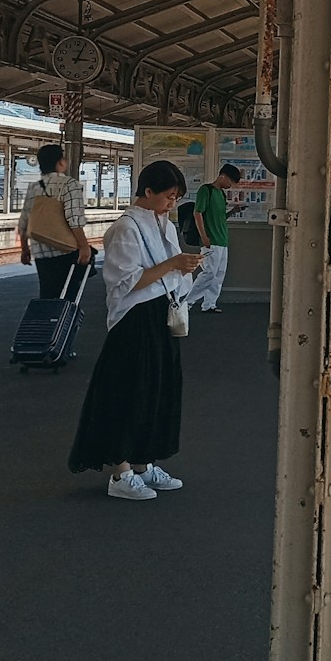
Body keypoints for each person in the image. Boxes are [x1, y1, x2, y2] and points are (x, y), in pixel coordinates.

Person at [68, 160, 203, 501]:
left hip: (160, 317)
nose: (172, 204)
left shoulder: (163, 225)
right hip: (134, 321)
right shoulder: (126, 228)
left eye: (176, 198)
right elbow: (126, 282)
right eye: (168, 196)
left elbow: (162, 273)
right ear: (148, 191)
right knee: (128, 393)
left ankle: (143, 462)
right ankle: (121, 470)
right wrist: (174, 264)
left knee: (156, 392)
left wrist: (184, 267)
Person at [19, 143, 93, 300]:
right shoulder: (69, 184)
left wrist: (25, 249)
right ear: (60, 163)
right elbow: (74, 219)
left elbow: (25, 220)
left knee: (47, 295)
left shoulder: (34, 187)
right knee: (68, 296)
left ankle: (46, 323)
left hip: (41, 252)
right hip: (64, 250)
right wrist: (84, 247)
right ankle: (63, 324)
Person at [189, 164, 242, 314]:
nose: (230, 186)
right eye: (230, 182)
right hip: (211, 241)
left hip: (223, 240)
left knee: (218, 275)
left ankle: (209, 303)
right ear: (222, 176)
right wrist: (204, 236)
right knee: (208, 274)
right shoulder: (206, 191)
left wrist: (232, 211)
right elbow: (197, 213)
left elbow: (219, 217)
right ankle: (187, 302)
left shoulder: (221, 195)